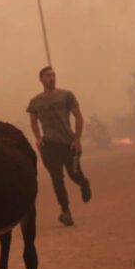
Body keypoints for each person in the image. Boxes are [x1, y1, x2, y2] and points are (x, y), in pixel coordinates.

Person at [27, 66, 92, 226]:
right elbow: (33, 122)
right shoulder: (35, 101)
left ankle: (84, 183)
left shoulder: (66, 95)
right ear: (41, 79)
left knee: (74, 174)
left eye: (53, 75)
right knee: (57, 178)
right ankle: (65, 210)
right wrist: (38, 138)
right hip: (49, 145)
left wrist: (77, 139)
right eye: (48, 76)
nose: (52, 78)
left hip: (68, 144)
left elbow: (78, 117)